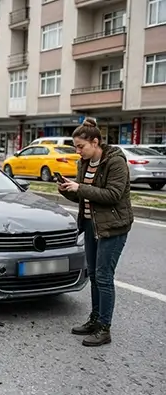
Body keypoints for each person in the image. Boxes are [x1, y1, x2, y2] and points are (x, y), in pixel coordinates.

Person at [57, 117, 133, 346]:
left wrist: (80, 187)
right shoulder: (84, 163)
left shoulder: (115, 162)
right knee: (93, 274)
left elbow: (113, 195)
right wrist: (67, 189)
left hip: (113, 227)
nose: (78, 151)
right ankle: (95, 319)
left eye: (81, 146)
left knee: (104, 276)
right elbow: (84, 196)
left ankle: (104, 328)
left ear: (95, 142)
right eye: (76, 147)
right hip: (91, 224)